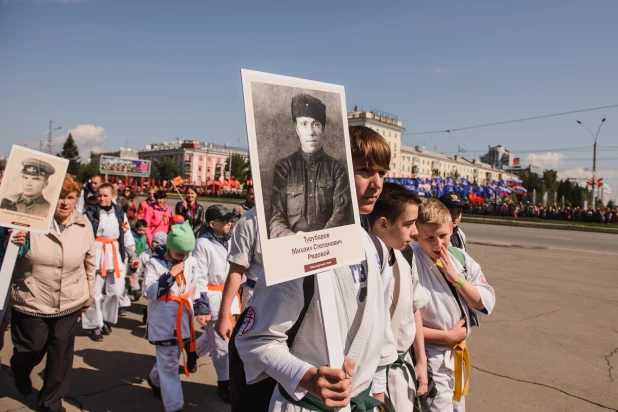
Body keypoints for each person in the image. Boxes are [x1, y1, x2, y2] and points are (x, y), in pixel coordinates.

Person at [235, 125, 396, 411]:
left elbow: (380, 334)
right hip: (306, 405)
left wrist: (379, 391)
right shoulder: (299, 247)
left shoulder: (377, 248)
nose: (377, 184)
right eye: (364, 171)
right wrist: (307, 377)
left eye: (382, 173)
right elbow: (254, 340)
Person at [5, 174, 96, 412]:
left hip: (69, 299)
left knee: (61, 354)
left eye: (70, 197)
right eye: (59, 198)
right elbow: (7, 259)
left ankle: (51, 402)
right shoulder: (29, 221)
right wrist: (13, 242)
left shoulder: (83, 224)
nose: (65, 203)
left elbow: (90, 260)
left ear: (76, 199)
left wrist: (89, 294)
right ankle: (20, 369)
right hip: (32, 299)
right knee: (31, 347)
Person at [413, 199, 496, 411]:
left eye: (443, 236)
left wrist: (457, 279)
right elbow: (398, 320)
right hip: (428, 354)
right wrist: (446, 337)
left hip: (455, 356)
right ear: (416, 232)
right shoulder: (409, 261)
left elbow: (485, 298)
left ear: (452, 228)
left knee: (457, 406)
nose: (438, 244)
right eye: (429, 238)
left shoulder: (460, 258)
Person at [367, 182, 429, 411]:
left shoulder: (405, 259)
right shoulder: (358, 267)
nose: (416, 232)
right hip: (368, 378)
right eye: (409, 224)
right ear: (383, 223)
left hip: (401, 369)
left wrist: (421, 361)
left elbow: (414, 311)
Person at [144, 221, 210, 412]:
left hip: (182, 318)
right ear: (170, 248)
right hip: (163, 320)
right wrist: (170, 275)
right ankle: (174, 406)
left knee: (169, 358)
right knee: (170, 364)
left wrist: (202, 309)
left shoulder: (191, 261)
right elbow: (149, 291)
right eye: (180, 253)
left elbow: (198, 286)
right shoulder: (154, 263)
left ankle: (155, 379)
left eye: (187, 253)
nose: (184, 257)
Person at [268, 93, 355, 238]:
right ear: (296, 128)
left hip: (329, 248)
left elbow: (342, 215)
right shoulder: (284, 168)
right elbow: (276, 219)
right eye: (304, 124)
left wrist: (317, 242)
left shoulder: (336, 169)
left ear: (323, 128)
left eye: (316, 124)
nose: (311, 132)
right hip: (293, 249)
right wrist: (293, 239)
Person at [193, 205, 241, 402]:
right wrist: (202, 307)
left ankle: (192, 350)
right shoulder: (202, 244)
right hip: (214, 297)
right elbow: (199, 277)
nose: (229, 223)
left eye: (230, 220)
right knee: (221, 344)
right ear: (212, 224)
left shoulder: (229, 239)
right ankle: (224, 383)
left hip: (230, 295)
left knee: (214, 337)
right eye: (225, 221)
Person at [82, 183, 139, 341]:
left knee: (116, 291)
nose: (102, 198)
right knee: (94, 292)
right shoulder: (89, 213)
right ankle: (94, 325)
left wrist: (132, 256)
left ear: (112, 196)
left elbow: (126, 235)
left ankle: (106, 319)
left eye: (105, 195)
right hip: (96, 253)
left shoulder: (120, 213)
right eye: (99, 195)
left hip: (115, 254)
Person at [214, 204, 263, 345]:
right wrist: (223, 315)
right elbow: (236, 270)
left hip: (298, 302)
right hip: (257, 299)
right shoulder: (250, 220)